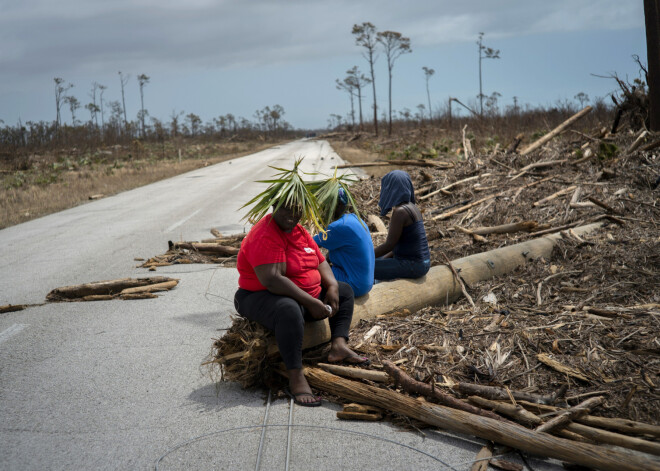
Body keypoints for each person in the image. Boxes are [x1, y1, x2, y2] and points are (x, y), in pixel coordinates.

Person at [234, 203, 368, 407]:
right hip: (259, 295)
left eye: (298, 209)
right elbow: (273, 280)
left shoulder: (299, 230)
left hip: (304, 296)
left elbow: (320, 260)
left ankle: (339, 346)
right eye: (286, 208)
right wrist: (311, 302)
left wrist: (331, 285)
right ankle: (295, 376)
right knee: (289, 310)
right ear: (274, 205)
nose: (293, 214)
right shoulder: (264, 233)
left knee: (344, 290)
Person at [313, 188, 375, 297]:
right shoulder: (355, 219)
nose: (324, 209)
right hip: (367, 283)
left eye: (328, 205)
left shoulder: (339, 226)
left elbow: (309, 244)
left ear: (340, 205)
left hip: (354, 285)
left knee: (310, 274)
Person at [373, 170, 431, 281]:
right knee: (377, 260)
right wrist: (381, 260)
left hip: (415, 265)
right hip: (423, 262)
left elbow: (389, 245)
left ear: (391, 189)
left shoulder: (400, 212)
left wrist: (365, 257)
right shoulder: (412, 208)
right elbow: (397, 247)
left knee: (365, 267)